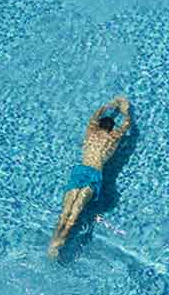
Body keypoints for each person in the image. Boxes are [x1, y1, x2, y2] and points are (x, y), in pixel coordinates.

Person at [48, 96, 132, 259]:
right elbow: (126, 125)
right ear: (111, 129)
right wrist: (126, 111)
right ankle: (61, 240)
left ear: (99, 125)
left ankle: (54, 240)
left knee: (66, 211)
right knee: (76, 211)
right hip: (94, 174)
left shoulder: (90, 133)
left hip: (80, 172)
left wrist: (109, 105)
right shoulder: (112, 139)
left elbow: (94, 117)